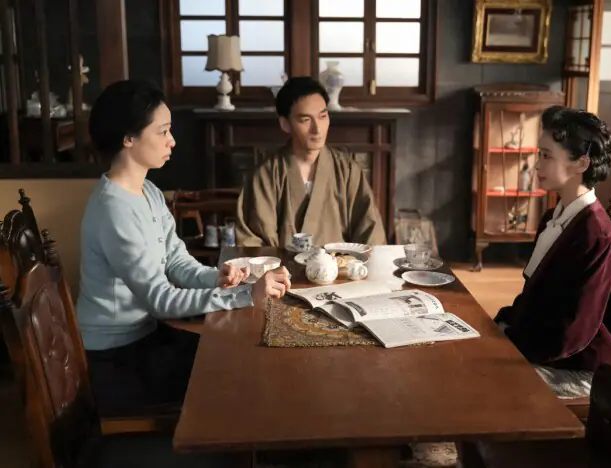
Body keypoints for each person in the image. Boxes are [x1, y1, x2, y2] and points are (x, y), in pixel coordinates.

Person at [76, 79, 291, 414]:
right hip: (117, 357)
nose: (172, 141)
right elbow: (161, 300)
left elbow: (176, 262)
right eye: (162, 131)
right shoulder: (114, 210)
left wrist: (218, 277)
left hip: (146, 336)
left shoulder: (147, 191)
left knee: (238, 351)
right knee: (236, 371)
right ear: (128, 138)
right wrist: (246, 294)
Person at [494, 106, 611, 398]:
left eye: (546, 155)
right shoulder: (554, 218)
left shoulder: (595, 236)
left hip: (583, 368)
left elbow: (572, 335)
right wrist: (503, 325)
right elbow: (534, 299)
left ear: (581, 163)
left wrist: (512, 342)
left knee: (489, 380)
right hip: (545, 350)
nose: (537, 165)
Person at [235, 76, 387, 248]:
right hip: (282, 265)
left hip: (340, 264)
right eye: (305, 120)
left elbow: (370, 233)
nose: (317, 129)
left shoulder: (347, 170)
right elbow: (253, 242)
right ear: (285, 124)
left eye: (323, 116)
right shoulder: (266, 175)